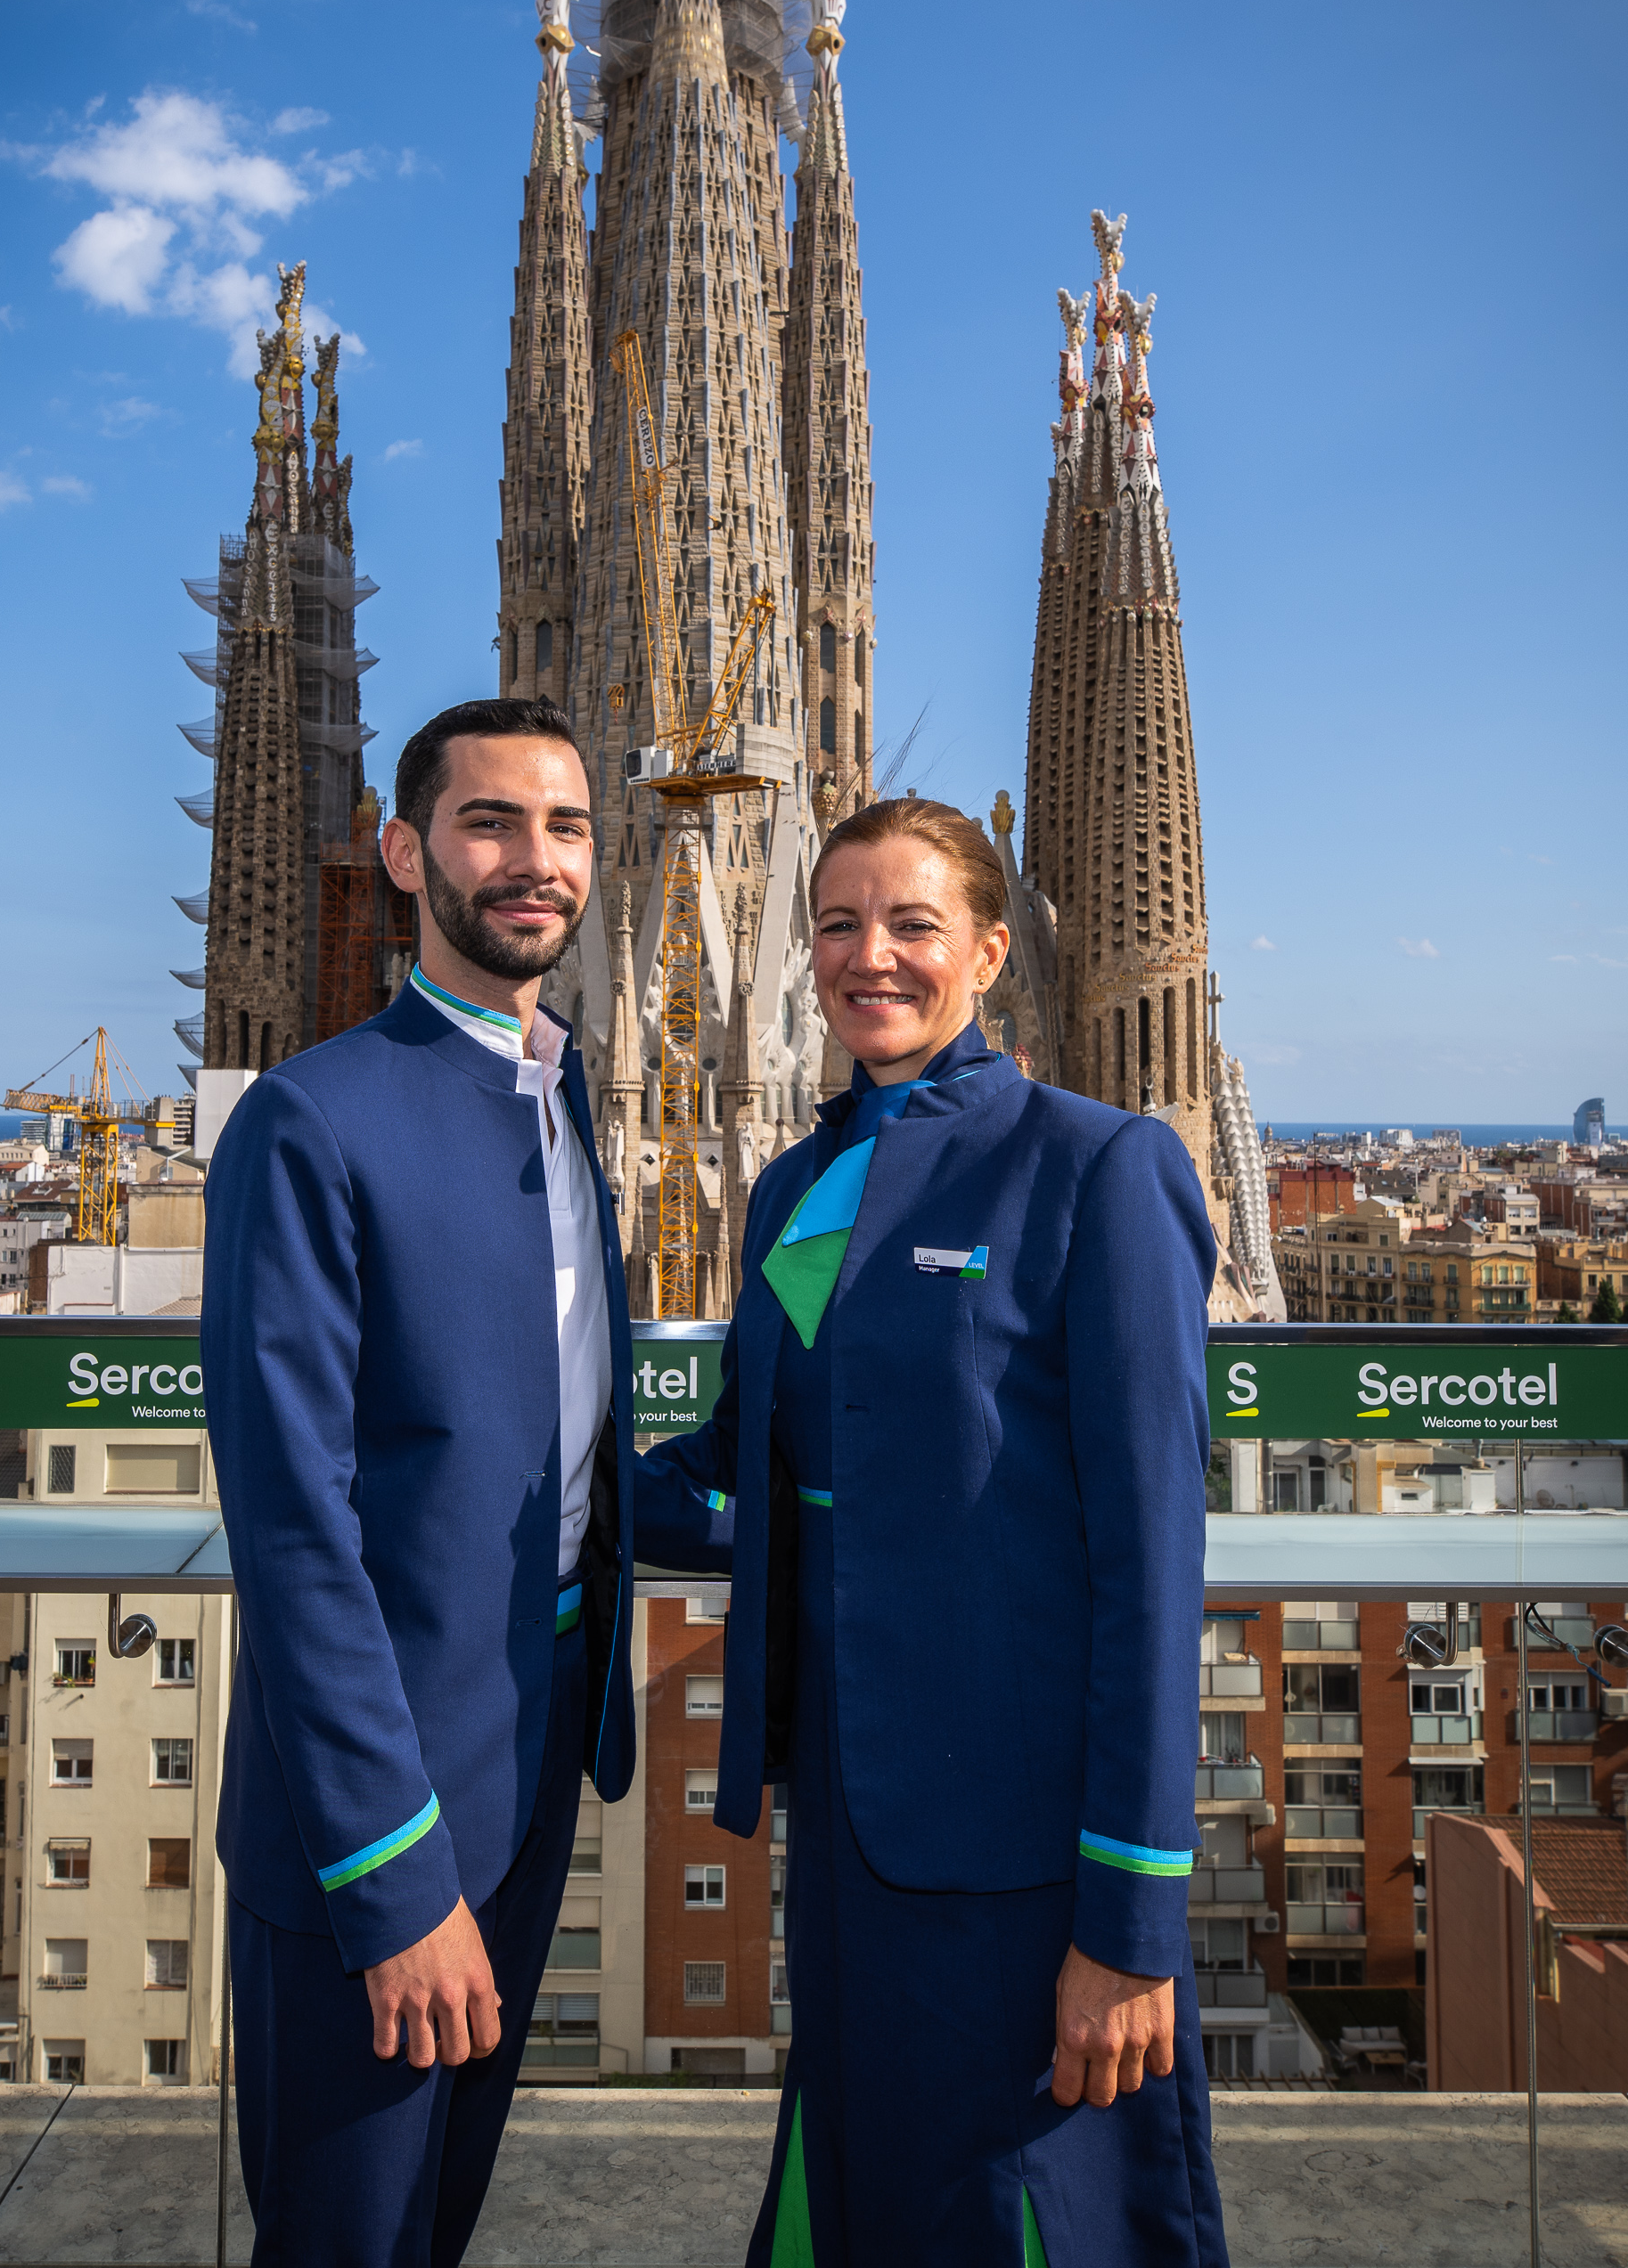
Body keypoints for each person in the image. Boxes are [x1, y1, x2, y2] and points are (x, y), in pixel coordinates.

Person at [636, 796, 1225, 2268]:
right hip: (847, 1812)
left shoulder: (1094, 1166)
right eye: (838, 925)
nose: (869, 957)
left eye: (911, 924)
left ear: (988, 951)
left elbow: (1151, 1562)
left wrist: (1134, 1921)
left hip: (1025, 1835)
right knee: (870, 2185)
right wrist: (509, 1489)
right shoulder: (794, 1182)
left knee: (1029, 2206)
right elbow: (741, 1473)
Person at [202, 697, 641, 2268]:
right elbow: (293, 1526)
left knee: (434, 2223)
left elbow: (549, 1429)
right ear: (407, 854)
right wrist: (391, 1875)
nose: (535, 861)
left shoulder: (561, 1092)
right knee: (348, 2236)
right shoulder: (315, 1116)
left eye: (567, 827)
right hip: (374, 1821)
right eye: (490, 824)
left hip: (529, 1764)